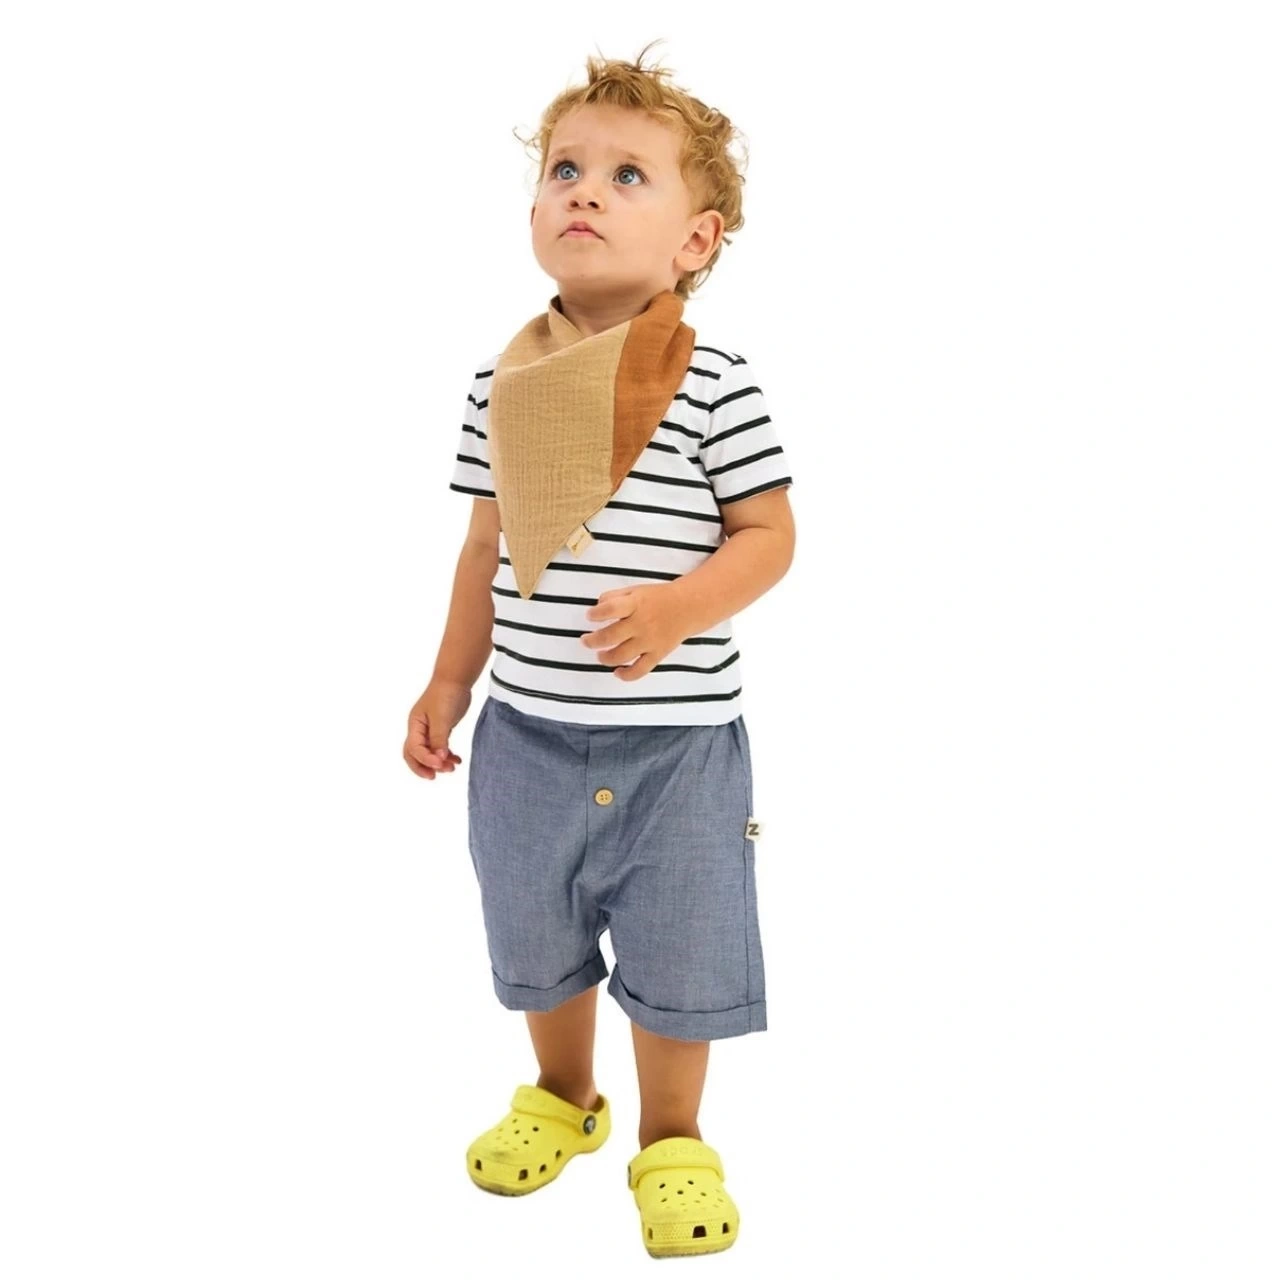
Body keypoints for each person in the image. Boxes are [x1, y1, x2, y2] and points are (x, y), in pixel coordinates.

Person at [403, 43, 795, 1259]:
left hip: (675, 746)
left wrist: (680, 606)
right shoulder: (501, 385)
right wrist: (450, 679)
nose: (583, 190)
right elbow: (484, 548)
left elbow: (769, 534)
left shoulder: (715, 382)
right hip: (525, 731)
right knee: (536, 930)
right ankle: (564, 1095)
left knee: (681, 940)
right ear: (533, 212)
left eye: (628, 175)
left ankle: (671, 1136)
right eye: (564, 169)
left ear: (695, 240)